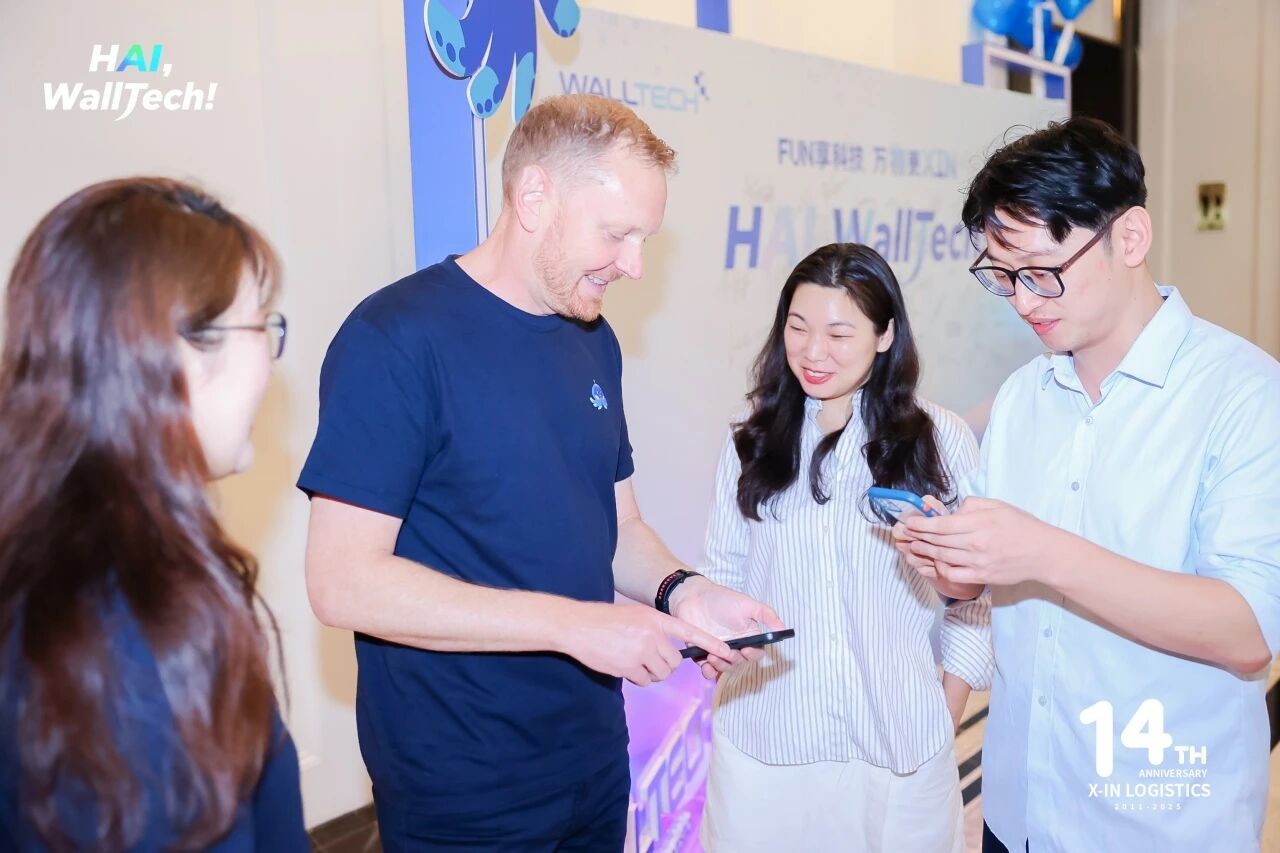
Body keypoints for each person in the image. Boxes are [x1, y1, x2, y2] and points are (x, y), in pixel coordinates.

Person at [298, 93, 782, 850]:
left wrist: (685, 592)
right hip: (462, 785)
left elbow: (616, 525)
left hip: (593, 758)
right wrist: (575, 626)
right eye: (617, 234)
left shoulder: (593, 340)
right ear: (533, 198)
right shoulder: (395, 339)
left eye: (644, 239)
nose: (634, 265)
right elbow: (342, 582)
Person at [894, 117, 1280, 852]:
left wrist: (1042, 551)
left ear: (1129, 237)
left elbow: (1249, 633)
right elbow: (991, 590)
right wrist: (955, 570)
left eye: (1042, 271)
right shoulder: (1022, 398)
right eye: (1002, 276)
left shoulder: (1245, 396)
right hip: (1018, 813)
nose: (1023, 300)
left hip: (1157, 825)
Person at [0, 178, 307, 850]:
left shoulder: (42, 566)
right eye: (261, 325)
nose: (269, 363)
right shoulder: (136, 634)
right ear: (178, 353)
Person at [697, 243, 989, 852]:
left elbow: (974, 600)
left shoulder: (939, 440)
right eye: (797, 327)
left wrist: (943, 711)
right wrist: (714, 636)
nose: (812, 352)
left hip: (899, 752)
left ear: (885, 336)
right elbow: (724, 573)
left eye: (838, 333)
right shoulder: (752, 442)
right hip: (766, 747)